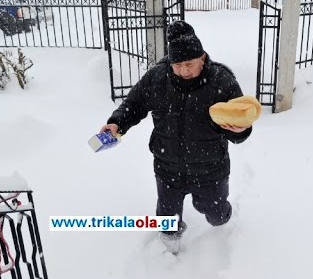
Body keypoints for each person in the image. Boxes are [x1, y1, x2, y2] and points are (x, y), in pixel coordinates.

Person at [100, 20, 252, 251]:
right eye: (177, 65)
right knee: (167, 221)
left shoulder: (222, 81)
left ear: (202, 57)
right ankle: (169, 253)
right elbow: (134, 104)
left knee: (217, 215)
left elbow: (241, 123)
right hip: (167, 167)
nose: (183, 71)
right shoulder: (157, 79)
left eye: (189, 64)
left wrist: (241, 130)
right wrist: (116, 124)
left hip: (210, 169)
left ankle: (223, 216)